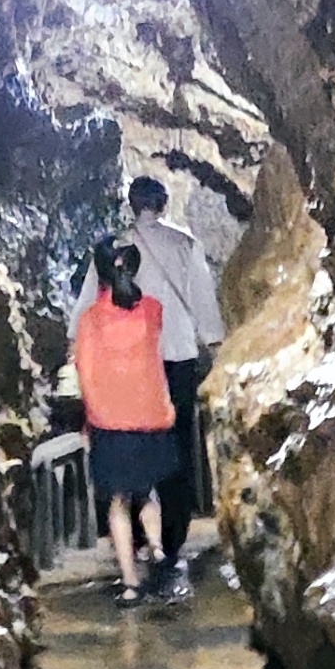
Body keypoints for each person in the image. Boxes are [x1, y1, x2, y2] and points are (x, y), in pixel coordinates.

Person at [72, 237, 183, 601]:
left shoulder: (90, 320)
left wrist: (89, 420)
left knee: (118, 502)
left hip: (110, 420)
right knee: (147, 490)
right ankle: (157, 546)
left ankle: (131, 584)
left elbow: (86, 374)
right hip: (151, 415)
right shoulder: (153, 310)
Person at [125, 176, 226, 549]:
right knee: (178, 441)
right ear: (164, 205)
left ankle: (136, 527)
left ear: (132, 205)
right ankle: (174, 530)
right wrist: (213, 341)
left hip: (133, 358)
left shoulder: (118, 245)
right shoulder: (184, 244)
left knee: (133, 437)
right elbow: (202, 297)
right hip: (178, 354)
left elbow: (92, 297)